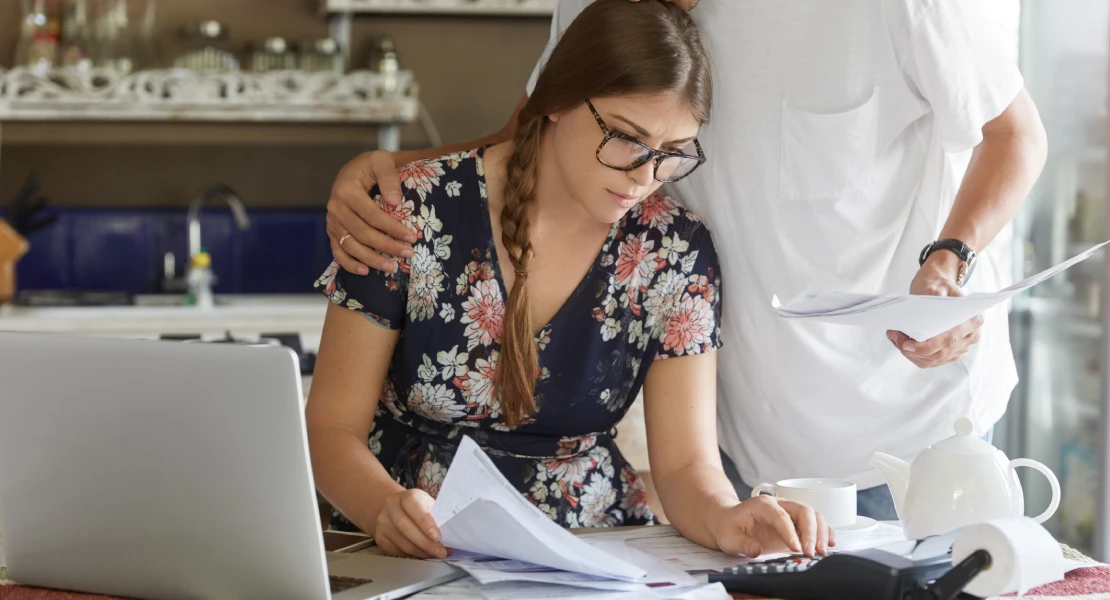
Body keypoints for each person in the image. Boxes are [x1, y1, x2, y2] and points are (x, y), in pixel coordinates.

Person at [324, 0, 1048, 521]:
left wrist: (950, 264)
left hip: (903, 434)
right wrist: (383, 173)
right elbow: (530, 135)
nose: (643, 175)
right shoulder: (603, 16)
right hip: (734, 442)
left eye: (664, 155)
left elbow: (1016, 138)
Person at [307, 0, 833, 562]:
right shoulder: (412, 211)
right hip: (410, 545)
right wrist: (383, 506)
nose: (644, 177)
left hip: (591, 552)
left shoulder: (675, 251)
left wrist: (728, 518)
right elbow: (330, 429)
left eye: (672, 155)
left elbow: (685, 467)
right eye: (628, 137)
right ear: (557, 100)